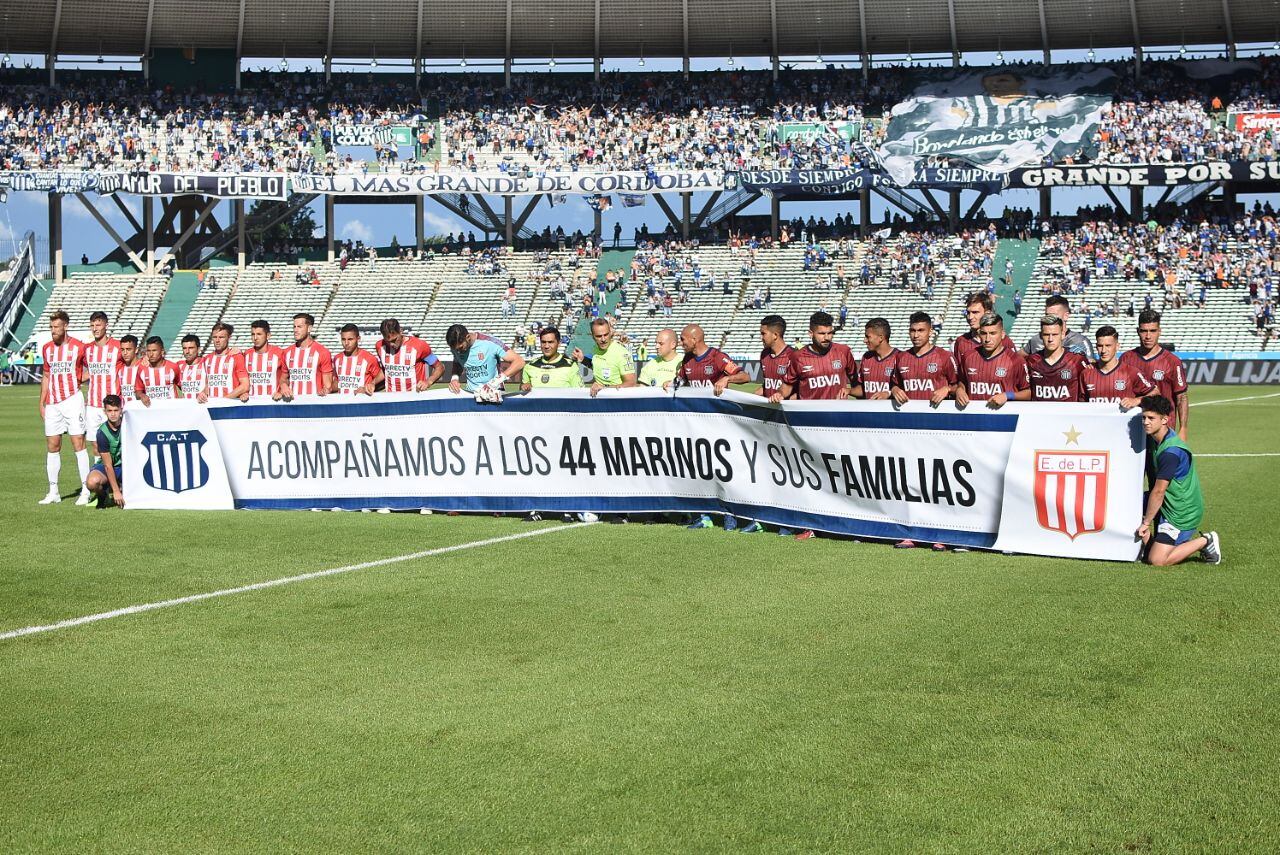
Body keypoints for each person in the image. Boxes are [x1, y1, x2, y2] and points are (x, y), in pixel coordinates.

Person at [775, 312, 860, 540]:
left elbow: (859, 387)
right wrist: (778, 395)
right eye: (821, 333)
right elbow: (787, 387)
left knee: (842, 476)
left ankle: (848, 524)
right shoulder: (798, 357)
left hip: (840, 427)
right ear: (810, 333)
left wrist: (850, 391)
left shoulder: (843, 352)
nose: (826, 337)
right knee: (812, 478)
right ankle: (810, 525)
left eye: (830, 332)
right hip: (809, 430)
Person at [1137, 395, 1220, 566]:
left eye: (1151, 418)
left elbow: (1159, 491)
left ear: (1165, 420)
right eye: (1144, 417)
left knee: (1157, 560)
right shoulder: (1157, 439)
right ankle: (1147, 545)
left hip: (1181, 512)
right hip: (1168, 503)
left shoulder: (1171, 452)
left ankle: (1206, 541)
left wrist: (1146, 523)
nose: (1146, 422)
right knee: (1127, 504)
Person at [38, 310, 91, 505]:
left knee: (78, 443)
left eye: (57, 327)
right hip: (53, 403)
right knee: (52, 446)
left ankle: (85, 489)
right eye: (51, 327)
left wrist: (78, 379)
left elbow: (92, 369)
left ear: (66, 326)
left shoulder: (78, 347)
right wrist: (41, 402)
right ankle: (54, 492)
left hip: (72, 400)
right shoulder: (47, 349)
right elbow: (46, 376)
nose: (53, 330)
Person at [1122, 310, 1189, 439]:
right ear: (1138, 331)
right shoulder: (1126, 358)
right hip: (1133, 429)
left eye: (1152, 331)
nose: (1148, 336)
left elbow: (1182, 397)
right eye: (1143, 331)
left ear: (1159, 331)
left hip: (1163, 430)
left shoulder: (1172, 361)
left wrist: (1183, 429)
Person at [955, 313, 1030, 410]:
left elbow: (1028, 393)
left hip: (1003, 419)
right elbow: (962, 382)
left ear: (1002, 334)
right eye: (983, 333)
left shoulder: (1016, 360)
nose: (987, 339)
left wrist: (1007, 395)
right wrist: (960, 390)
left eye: (993, 333)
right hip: (973, 417)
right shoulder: (968, 356)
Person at [891, 311, 958, 407]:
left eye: (921, 330)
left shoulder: (945, 356)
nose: (916, 335)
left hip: (937, 416)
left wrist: (948, 389)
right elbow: (894, 384)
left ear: (930, 332)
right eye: (912, 330)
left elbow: (959, 386)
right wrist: (894, 390)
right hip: (909, 415)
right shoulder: (900, 357)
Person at [445, 323, 526, 399]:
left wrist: (495, 382)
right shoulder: (456, 348)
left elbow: (519, 362)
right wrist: (454, 378)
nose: (458, 352)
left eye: (460, 348)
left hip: (493, 394)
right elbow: (457, 362)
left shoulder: (490, 342)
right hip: (471, 395)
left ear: (468, 337)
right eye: (455, 350)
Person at [1081, 325, 1153, 407]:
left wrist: (1137, 400)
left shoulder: (1132, 372)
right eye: (1100, 346)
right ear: (1096, 347)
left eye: (1108, 346)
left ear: (1117, 346)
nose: (1104, 350)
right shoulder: (1086, 373)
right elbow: (1080, 404)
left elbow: (1155, 393)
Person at [1026, 315, 1087, 401]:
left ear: (1062, 335)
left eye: (1054, 334)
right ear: (1040, 335)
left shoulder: (1076, 360)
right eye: (1046, 335)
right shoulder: (1032, 361)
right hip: (1040, 414)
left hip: (1067, 414)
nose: (1050, 339)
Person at [674, 324, 747, 395]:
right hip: (695, 406)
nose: (680, 343)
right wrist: (670, 384)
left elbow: (745, 377)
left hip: (716, 406)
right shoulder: (687, 359)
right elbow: (681, 380)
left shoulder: (717, 357)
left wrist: (727, 379)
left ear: (694, 340)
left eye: (683, 339)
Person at [375, 318, 444, 393]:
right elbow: (385, 369)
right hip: (391, 399)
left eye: (394, 340)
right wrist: (372, 383)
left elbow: (439, 367)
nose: (391, 344)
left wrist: (428, 382)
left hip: (414, 398)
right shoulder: (380, 346)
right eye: (387, 341)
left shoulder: (419, 345)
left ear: (401, 331)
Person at [572, 318, 637, 397]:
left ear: (610, 333)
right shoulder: (595, 348)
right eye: (599, 336)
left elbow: (631, 384)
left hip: (618, 403)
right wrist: (583, 359)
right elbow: (598, 366)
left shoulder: (622, 353)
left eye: (606, 335)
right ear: (593, 336)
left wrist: (605, 388)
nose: (603, 339)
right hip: (600, 403)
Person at [83, 310, 121, 441]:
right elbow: (88, 372)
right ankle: (99, 463)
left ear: (106, 325)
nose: (95, 329)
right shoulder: (87, 349)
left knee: (114, 442)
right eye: (92, 325)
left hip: (112, 404)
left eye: (98, 325)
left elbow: (131, 363)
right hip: (92, 404)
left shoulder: (118, 347)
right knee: (95, 443)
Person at [1022, 295, 1098, 360]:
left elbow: (1090, 370)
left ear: (1066, 316)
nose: (1049, 318)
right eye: (1047, 315)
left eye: (1053, 315)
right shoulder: (1036, 340)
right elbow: (1016, 359)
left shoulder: (1081, 341)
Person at [231, 320, 290, 401]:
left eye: (259, 334)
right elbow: (243, 380)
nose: (255, 338)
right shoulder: (246, 354)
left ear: (268, 336)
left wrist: (280, 392)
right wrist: (244, 393)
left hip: (274, 402)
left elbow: (287, 378)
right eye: (253, 334)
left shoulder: (279, 353)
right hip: (251, 403)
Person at [85, 394, 125, 509]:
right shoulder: (102, 433)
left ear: (121, 410)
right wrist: (116, 492)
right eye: (109, 410)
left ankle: (121, 486)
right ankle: (103, 496)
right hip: (108, 466)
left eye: (116, 410)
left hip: (126, 467)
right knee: (92, 482)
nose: (113, 414)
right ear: (104, 411)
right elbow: (108, 466)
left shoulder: (128, 425)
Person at [953, 291, 1015, 361]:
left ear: (987, 313)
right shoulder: (961, 342)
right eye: (968, 312)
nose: (970, 317)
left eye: (975, 312)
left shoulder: (1004, 341)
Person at [285, 313, 334, 397]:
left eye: (299, 327)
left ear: (309, 328)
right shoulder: (287, 352)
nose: (295, 330)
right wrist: (283, 386)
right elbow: (283, 379)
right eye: (294, 326)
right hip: (293, 405)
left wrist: (326, 390)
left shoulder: (323, 352)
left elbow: (328, 385)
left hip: (315, 405)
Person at [521, 326, 584, 391]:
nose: (546, 346)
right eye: (543, 342)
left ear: (559, 343)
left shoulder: (571, 366)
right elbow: (522, 394)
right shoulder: (530, 366)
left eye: (550, 342)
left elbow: (580, 393)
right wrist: (525, 386)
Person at [199, 323, 246, 402]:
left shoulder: (236, 357)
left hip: (231, 406)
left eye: (221, 337)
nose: (217, 340)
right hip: (212, 407)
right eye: (214, 337)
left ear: (229, 338)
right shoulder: (207, 359)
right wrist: (202, 393)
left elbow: (245, 385)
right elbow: (210, 384)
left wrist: (224, 400)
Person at [333, 324, 383, 395]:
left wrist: (367, 388)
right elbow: (337, 382)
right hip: (342, 404)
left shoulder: (369, 359)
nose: (346, 343)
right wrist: (328, 389)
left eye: (350, 339)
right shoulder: (337, 358)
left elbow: (382, 383)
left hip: (363, 404)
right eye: (343, 339)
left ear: (358, 339)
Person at [856, 318, 899, 400]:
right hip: (870, 411)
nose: (864, 340)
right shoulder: (866, 357)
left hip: (891, 412)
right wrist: (848, 391)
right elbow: (863, 389)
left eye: (868, 337)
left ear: (881, 338)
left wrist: (889, 393)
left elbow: (907, 389)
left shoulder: (900, 357)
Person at [759, 315, 796, 404]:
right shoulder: (764, 355)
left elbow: (801, 392)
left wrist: (785, 402)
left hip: (787, 414)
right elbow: (767, 387)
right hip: (769, 412)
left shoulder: (793, 356)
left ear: (775, 335)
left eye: (763, 334)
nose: (761, 338)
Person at [134, 336, 181, 404]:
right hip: (151, 411)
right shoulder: (141, 369)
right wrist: (142, 395)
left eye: (154, 350)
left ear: (162, 351)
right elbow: (138, 390)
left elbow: (183, 387)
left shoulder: (173, 367)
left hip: (170, 410)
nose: (151, 354)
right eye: (148, 351)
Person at [178, 334, 208, 399]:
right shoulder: (179, 366)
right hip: (186, 407)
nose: (187, 351)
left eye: (191, 348)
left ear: (198, 349)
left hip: (203, 406)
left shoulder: (207, 363)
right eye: (184, 348)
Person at [116, 335, 143, 406]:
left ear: (136, 350)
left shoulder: (144, 366)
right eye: (122, 349)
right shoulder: (120, 369)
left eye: (128, 349)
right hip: (125, 411)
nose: (125, 353)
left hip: (141, 410)